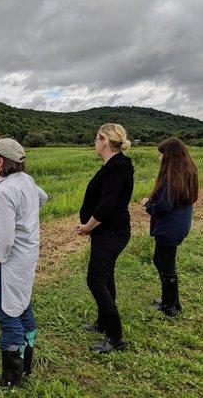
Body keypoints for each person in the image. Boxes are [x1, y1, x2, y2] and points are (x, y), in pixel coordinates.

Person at [0, 138, 48, 387]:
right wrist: (26, 218)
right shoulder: (24, 181)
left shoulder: (5, 191)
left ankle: (11, 377)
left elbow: (6, 238)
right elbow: (43, 197)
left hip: (7, 262)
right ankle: (26, 363)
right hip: (25, 257)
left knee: (8, 313)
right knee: (22, 305)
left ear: (1, 161)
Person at [76, 123, 133, 354]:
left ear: (105, 141)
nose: (94, 142)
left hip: (111, 232)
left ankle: (115, 337)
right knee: (106, 277)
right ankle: (103, 322)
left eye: (96, 138)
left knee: (96, 280)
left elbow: (106, 206)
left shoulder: (116, 167)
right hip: (108, 231)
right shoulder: (115, 165)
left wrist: (87, 227)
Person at [141, 138, 198, 316]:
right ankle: (172, 301)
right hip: (179, 224)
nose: (159, 158)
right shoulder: (187, 172)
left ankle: (170, 307)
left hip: (169, 228)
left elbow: (164, 206)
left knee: (165, 264)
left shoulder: (170, 178)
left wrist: (147, 204)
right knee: (161, 261)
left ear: (169, 156)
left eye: (161, 154)